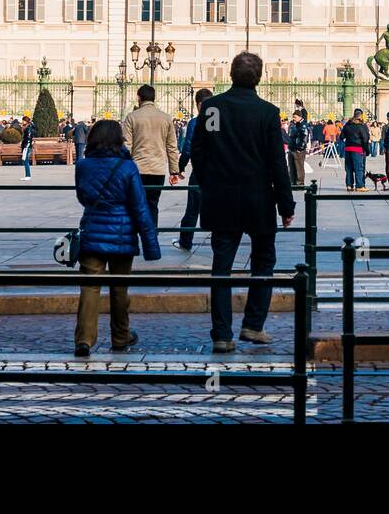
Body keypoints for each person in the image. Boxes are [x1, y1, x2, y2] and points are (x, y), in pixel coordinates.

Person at [189, 52, 295, 354]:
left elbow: (199, 152)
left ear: (231, 75)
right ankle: (253, 324)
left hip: (220, 198)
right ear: (258, 78)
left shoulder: (212, 108)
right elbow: (278, 164)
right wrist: (286, 206)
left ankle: (222, 334)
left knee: (220, 267)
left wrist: (210, 182)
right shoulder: (267, 112)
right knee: (263, 262)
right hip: (258, 200)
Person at [72, 119, 161, 358]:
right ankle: (121, 336)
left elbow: (83, 197)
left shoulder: (83, 166)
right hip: (122, 235)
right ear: (119, 139)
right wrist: (151, 245)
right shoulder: (127, 167)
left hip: (92, 231)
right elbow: (140, 207)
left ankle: (84, 340)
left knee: (89, 288)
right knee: (119, 288)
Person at [121, 85, 181, 225]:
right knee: (153, 204)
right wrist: (174, 171)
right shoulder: (166, 118)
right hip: (157, 170)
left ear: (139, 98)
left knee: (136, 204)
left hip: (138, 169)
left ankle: (136, 237)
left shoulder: (132, 117)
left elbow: (127, 146)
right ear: (154, 98)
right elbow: (172, 147)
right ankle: (152, 237)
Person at [173, 88, 213, 251]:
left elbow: (187, 147)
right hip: (218, 172)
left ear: (198, 104)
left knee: (192, 209)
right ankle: (220, 242)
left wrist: (180, 168)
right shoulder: (219, 121)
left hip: (200, 172)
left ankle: (186, 241)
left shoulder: (195, 122)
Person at [341, 109, 370, 191]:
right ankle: (360, 185)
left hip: (348, 148)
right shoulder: (361, 126)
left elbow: (341, 137)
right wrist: (367, 150)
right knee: (359, 168)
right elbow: (365, 139)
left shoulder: (347, 125)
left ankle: (349, 185)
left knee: (349, 168)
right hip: (358, 149)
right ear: (360, 116)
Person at [285, 107, 308, 186]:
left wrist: (300, 148)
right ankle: (293, 181)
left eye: (295, 117)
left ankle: (299, 182)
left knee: (299, 166)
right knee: (292, 166)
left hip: (298, 149)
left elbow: (304, 137)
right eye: (293, 117)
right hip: (292, 148)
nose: (294, 118)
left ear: (300, 117)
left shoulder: (302, 125)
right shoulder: (293, 125)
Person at [19, 114, 36, 181]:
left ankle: (28, 175)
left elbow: (28, 138)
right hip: (27, 146)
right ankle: (27, 175)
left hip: (27, 146)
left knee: (25, 160)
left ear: (25, 121)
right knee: (25, 160)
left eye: (23, 120)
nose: (22, 122)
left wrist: (25, 146)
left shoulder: (28, 128)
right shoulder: (29, 127)